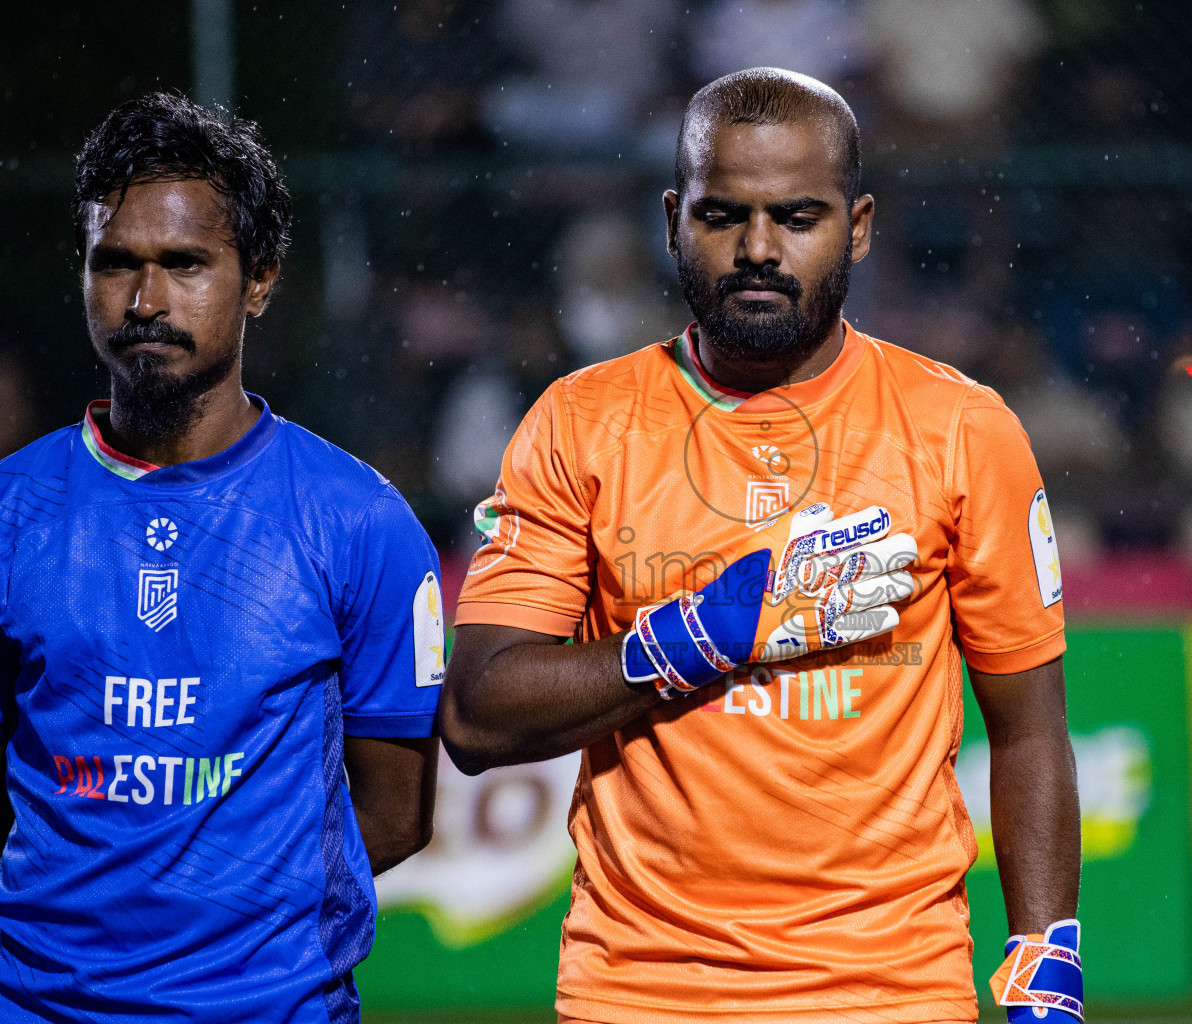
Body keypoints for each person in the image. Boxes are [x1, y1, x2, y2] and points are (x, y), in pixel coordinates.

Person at [440, 68, 1083, 1023]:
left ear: (858, 227)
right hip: (643, 989)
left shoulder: (960, 428)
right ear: (672, 221)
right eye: (721, 214)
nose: (757, 249)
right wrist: (694, 636)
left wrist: (1047, 957)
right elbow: (479, 716)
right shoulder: (578, 423)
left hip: (893, 991)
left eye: (798, 216)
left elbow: (1028, 729)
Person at [0, 94, 443, 1021]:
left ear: (260, 280)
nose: (146, 301)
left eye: (185, 264)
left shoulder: (360, 521)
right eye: (115, 263)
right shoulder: (14, 510)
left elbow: (395, 816)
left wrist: (230, 932)